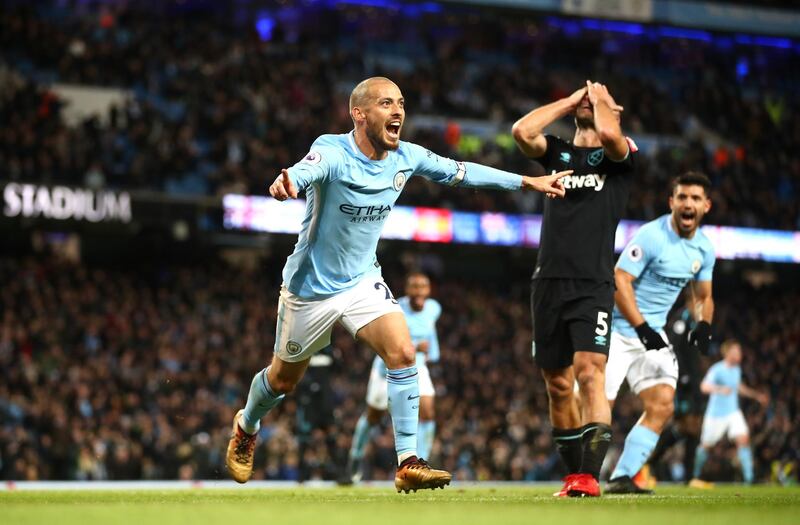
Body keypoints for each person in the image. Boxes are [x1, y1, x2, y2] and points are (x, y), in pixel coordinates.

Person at [226, 76, 570, 493]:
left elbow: (461, 172)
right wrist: (290, 183)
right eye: (386, 103)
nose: (398, 112)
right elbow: (305, 169)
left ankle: (407, 461)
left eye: (401, 104)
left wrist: (526, 181)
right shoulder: (334, 150)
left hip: (362, 282)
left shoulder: (406, 156)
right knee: (282, 381)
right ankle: (246, 426)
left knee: (404, 353)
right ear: (359, 113)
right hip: (310, 287)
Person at [512, 81, 636, 497]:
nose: (591, 101)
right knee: (558, 384)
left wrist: (602, 100)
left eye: (600, 103)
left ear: (614, 113)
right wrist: (568, 101)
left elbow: (610, 136)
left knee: (589, 373)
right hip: (547, 281)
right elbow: (521, 133)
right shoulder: (558, 153)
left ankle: (590, 476)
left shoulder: (619, 157)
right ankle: (573, 477)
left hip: (592, 283)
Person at [604, 172, 716, 494]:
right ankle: (581, 476)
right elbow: (620, 280)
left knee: (663, 405)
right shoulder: (651, 236)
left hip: (652, 335)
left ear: (706, 206)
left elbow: (702, 296)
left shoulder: (704, 250)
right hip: (618, 330)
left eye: (695, 198)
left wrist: (703, 325)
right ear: (672, 202)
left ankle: (622, 476)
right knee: (599, 407)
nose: (688, 203)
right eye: (682, 197)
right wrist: (640, 327)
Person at [345, 272, 441, 483]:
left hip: (418, 366)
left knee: (428, 412)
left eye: (423, 286)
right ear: (407, 290)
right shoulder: (395, 309)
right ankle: (355, 458)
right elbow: (389, 341)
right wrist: (416, 347)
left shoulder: (434, 308)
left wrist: (433, 353)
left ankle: (420, 465)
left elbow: (430, 331)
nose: (419, 291)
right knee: (373, 417)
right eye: (414, 286)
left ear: (429, 290)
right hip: (388, 367)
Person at [690, 339, 769, 486]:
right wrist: (720, 389)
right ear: (728, 353)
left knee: (743, 440)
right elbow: (704, 386)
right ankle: (695, 475)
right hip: (715, 416)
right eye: (736, 351)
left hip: (733, 413)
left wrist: (756, 396)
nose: (740, 354)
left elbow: (738, 387)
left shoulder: (736, 370)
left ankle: (749, 479)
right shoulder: (717, 369)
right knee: (706, 446)